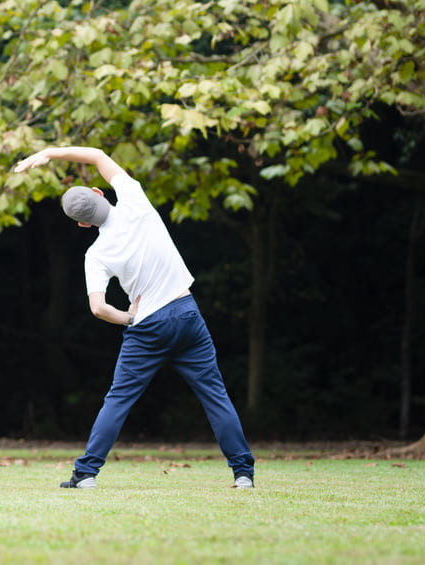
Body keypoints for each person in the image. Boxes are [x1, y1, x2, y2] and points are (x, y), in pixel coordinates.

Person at [13, 146, 255, 490]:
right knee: (215, 395)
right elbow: (97, 155)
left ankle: (86, 474)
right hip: (186, 312)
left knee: (118, 399)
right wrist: (50, 153)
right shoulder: (134, 200)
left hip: (147, 328)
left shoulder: (95, 254)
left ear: (83, 223)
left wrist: (128, 318)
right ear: (100, 192)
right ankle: (243, 473)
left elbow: (98, 308)